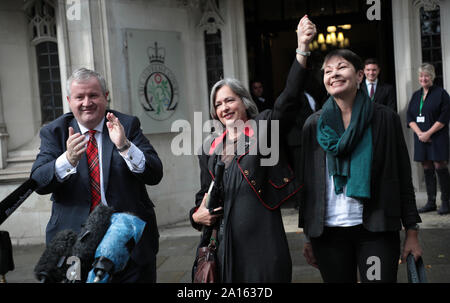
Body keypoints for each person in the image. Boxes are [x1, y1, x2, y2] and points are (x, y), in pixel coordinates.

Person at [189, 15, 316, 282]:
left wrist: (302, 49)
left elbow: (289, 98)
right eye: (219, 104)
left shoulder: (265, 126)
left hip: (264, 243)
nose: (224, 107)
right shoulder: (209, 148)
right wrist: (196, 216)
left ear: (244, 102)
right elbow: (202, 196)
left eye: (230, 100)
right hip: (225, 246)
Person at [299, 49, 422, 283]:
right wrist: (308, 235)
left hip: (375, 229)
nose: (334, 74)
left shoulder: (384, 119)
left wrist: (412, 232)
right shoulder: (313, 125)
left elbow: (403, 178)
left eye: (341, 67)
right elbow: (309, 185)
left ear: (359, 76)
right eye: (328, 70)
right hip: (328, 234)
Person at [30, 68, 163, 282]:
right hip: (75, 245)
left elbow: (155, 173)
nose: (86, 103)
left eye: (93, 95)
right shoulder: (55, 131)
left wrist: (125, 146)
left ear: (105, 96)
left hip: (128, 242)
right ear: (69, 100)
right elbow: (38, 181)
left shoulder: (126, 125)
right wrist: (67, 160)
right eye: (79, 97)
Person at [407, 63, 450, 215]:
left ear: (432, 76)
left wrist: (428, 133)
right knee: (426, 167)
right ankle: (430, 202)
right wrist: (420, 134)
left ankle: (446, 202)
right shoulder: (416, 95)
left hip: (437, 137)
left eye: (426, 75)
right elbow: (410, 117)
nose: (423, 78)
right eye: (421, 76)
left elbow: (444, 117)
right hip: (421, 138)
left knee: (440, 166)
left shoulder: (441, 93)